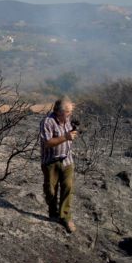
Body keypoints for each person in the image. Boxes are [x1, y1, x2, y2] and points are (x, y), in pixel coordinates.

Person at [39, 98, 78, 233]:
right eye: (68, 112)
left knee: (68, 187)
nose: (70, 114)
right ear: (58, 112)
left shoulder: (67, 119)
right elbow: (47, 143)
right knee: (51, 190)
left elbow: (70, 133)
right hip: (51, 161)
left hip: (67, 160)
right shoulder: (47, 122)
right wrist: (66, 137)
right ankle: (53, 213)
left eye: (70, 112)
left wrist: (72, 134)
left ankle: (65, 217)